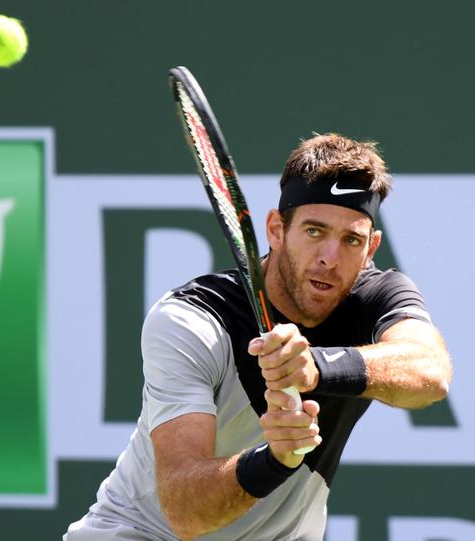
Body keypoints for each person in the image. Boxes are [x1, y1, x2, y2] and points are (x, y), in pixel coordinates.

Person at [64, 133, 452, 541]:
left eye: (351, 240)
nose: (329, 259)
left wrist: (317, 367)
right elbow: (184, 513)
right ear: (276, 229)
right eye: (315, 232)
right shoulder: (193, 318)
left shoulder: (377, 296)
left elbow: (430, 371)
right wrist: (275, 459)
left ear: (371, 247)